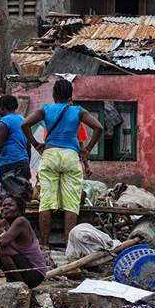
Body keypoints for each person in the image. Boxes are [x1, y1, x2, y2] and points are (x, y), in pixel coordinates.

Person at [21, 78, 103, 249]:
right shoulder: (78, 111)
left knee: (46, 202)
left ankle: (44, 246)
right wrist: (87, 149)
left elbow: (25, 124)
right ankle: (69, 246)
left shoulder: (46, 109)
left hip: (50, 154)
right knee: (71, 204)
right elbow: (99, 128)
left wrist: (36, 145)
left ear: (54, 94)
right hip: (71, 156)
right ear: (70, 95)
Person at [0, 194, 46, 289]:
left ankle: (20, 285)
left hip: (35, 274)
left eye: (10, 205)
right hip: (23, 269)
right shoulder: (4, 222)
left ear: (19, 210)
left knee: (2, 249)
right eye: (4, 205)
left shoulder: (21, 221)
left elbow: (3, 242)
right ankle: (14, 281)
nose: (5, 207)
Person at [0, 95, 31, 200]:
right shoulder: (23, 120)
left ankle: (11, 216)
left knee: (9, 197)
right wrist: (27, 163)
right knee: (20, 197)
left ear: (2, 107)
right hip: (23, 162)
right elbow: (28, 145)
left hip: (9, 164)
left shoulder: (4, 122)